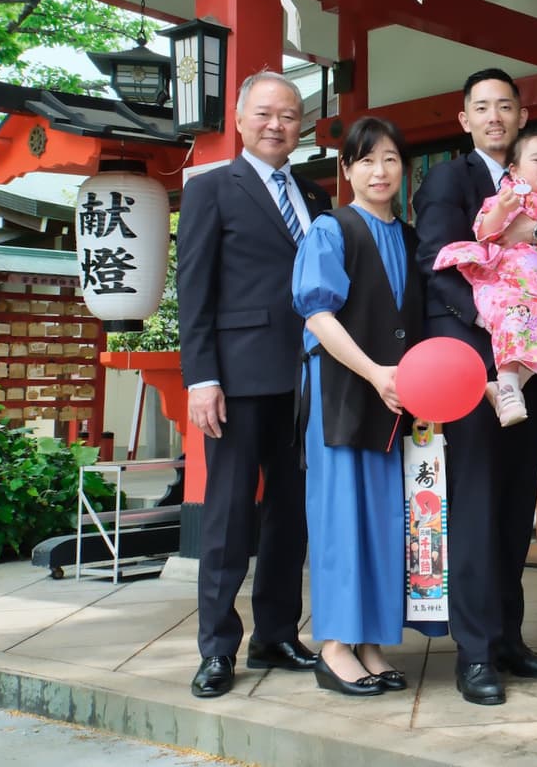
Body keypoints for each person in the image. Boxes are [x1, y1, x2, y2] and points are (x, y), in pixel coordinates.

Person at [177, 71, 328, 699]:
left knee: (290, 515)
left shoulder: (315, 197)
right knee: (230, 515)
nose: (277, 125)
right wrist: (202, 377)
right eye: (265, 113)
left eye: (289, 115)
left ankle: (276, 633)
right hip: (237, 379)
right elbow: (194, 288)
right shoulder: (212, 188)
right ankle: (217, 648)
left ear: (301, 125)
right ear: (239, 120)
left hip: (308, 377)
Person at [413, 69, 537, 706]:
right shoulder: (451, 178)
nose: (495, 116)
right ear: (464, 117)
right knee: (473, 504)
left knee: (513, 504)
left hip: (531, 365)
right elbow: (432, 260)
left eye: (505, 105)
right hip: (475, 362)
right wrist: (491, 321)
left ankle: (506, 636)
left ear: (521, 114)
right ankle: (472, 651)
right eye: (482, 107)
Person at [292, 116, 441, 698]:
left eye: (390, 160)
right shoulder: (332, 230)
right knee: (340, 523)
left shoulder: (407, 237)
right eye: (366, 160)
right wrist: (375, 372)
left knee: (385, 522)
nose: (379, 172)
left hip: (396, 399)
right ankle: (334, 647)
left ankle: (372, 641)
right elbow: (317, 315)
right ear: (346, 170)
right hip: (346, 393)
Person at [433, 131, 537, 426]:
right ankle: (508, 387)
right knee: (516, 316)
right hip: (513, 279)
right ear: (515, 170)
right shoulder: (508, 196)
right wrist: (503, 209)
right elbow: (485, 231)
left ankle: (509, 388)